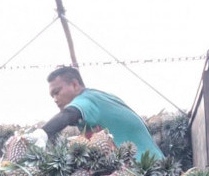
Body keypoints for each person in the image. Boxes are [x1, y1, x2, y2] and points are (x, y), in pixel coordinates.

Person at [26, 66, 163, 159]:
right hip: (147, 166)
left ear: (75, 85)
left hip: (146, 169)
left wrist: (42, 133)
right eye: (52, 96)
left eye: (57, 92)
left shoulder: (88, 99)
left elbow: (69, 114)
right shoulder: (100, 99)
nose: (55, 99)